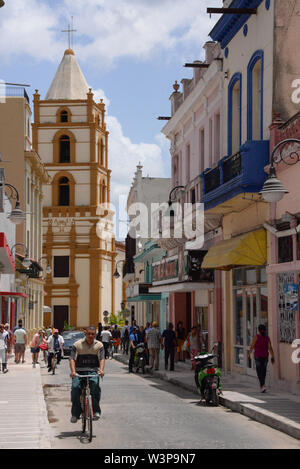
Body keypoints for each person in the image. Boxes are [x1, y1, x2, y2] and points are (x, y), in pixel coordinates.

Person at [70, 325, 105, 423]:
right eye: (88, 334)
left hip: (93, 371)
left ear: (95, 335)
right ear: (85, 334)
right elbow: (72, 359)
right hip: (79, 371)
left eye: (92, 334)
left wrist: (101, 370)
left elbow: (101, 358)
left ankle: (96, 411)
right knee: (75, 389)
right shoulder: (77, 344)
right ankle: (75, 414)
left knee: (95, 388)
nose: (90, 336)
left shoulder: (99, 345)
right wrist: (73, 371)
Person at [248, 324, 275, 393]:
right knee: (264, 371)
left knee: (259, 371)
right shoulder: (267, 338)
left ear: (259, 330)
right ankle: (263, 385)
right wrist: (272, 356)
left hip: (258, 356)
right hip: (265, 356)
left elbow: (252, 346)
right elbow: (270, 348)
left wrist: (249, 354)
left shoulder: (256, 337)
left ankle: (262, 386)